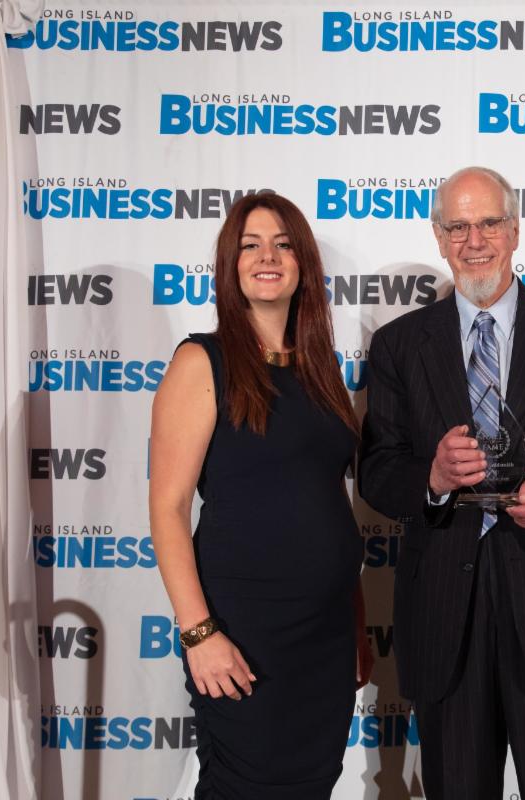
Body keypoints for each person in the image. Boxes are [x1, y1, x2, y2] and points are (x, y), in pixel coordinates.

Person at [358, 166, 525, 799]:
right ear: (439, 236)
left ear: (514, 231)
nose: (473, 239)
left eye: (488, 223)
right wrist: (430, 475)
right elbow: (377, 468)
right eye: (458, 225)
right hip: (442, 611)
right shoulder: (399, 345)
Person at [149, 192, 371, 799]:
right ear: (231, 265)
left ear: (303, 264)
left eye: (282, 244)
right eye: (250, 245)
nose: (267, 256)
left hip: (324, 638)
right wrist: (199, 634)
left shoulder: (319, 370)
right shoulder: (203, 361)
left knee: (311, 785)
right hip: (244, 632)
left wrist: (352, 625)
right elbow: (167, 510)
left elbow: (326, 500)